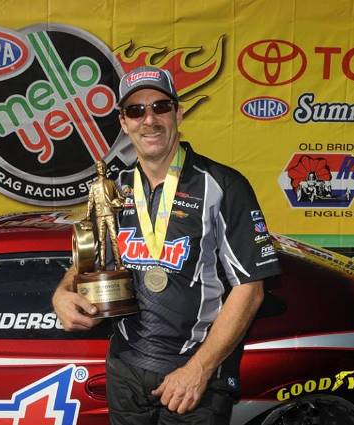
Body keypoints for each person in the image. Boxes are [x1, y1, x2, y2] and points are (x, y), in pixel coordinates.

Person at [52, 66, 281, 424]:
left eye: (160, 107)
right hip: (126, 369)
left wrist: (199, 369)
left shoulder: (222, 185)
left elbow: (250, 289)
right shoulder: (115, 187)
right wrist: (62, 292)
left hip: (193, 374)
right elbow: (91, 258)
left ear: (178, 113)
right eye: (136, 111)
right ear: (124, 123)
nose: (149, 120)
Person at [83, 160, 125, 270]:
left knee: (114, 239)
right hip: (99, 215)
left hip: (110, 214)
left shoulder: (111, 183)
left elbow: (121, 197)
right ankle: (102, 265)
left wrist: (116, 201)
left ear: (106, 169)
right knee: (101, 241)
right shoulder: (93, 186)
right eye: (99, 167)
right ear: (96, 170)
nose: (101, 169)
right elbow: (90, 202)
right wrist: (87, 216)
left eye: (103, 167)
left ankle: (119, 264)